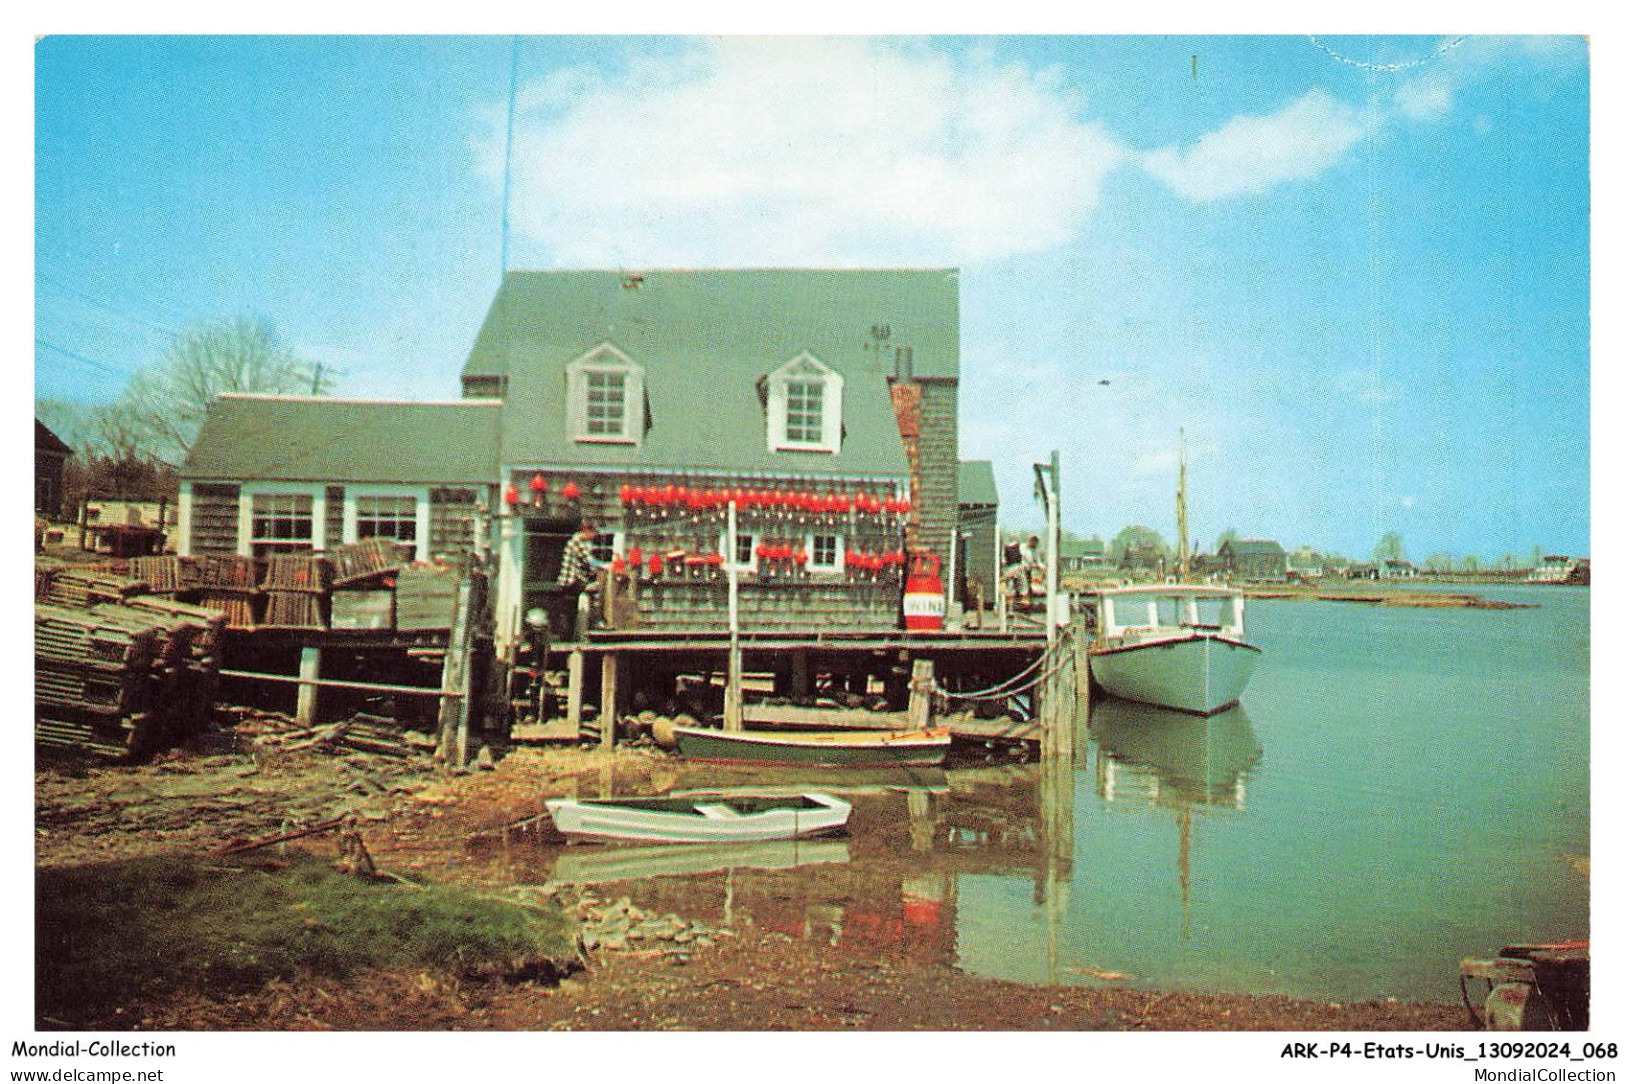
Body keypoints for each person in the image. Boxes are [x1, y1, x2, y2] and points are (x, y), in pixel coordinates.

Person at [558, 523, 602, 590]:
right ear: (587, 531)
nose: (594, 537)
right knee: (597, 588)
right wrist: (605, 565)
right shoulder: (577, 542)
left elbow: (584, 563)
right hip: (571, 580)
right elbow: (590, 561)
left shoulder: (573, 541)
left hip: (566, 580)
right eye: (593, 534)